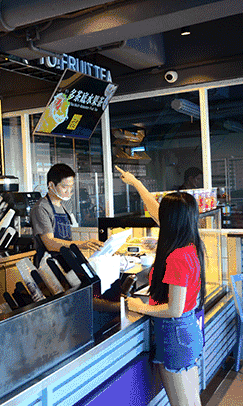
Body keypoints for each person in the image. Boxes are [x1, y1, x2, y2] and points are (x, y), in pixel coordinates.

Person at [117, 166, 205, 406]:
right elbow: (154, 208)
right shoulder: (190, 243)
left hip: (175, 333)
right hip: (185, 332)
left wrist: (139, 306)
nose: (158, 218)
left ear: (170, 221)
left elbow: (174, 309)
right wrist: (135, 182)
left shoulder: (177, 257)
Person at [30, 163, 102, 258]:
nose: (69, 191)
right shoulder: (41, 208)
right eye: (64, 187)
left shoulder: (63, 206)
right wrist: (82, 244)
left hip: (65, 258)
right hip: (48, 262)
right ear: (51, 185)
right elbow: (50, 243)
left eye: (71, 187)